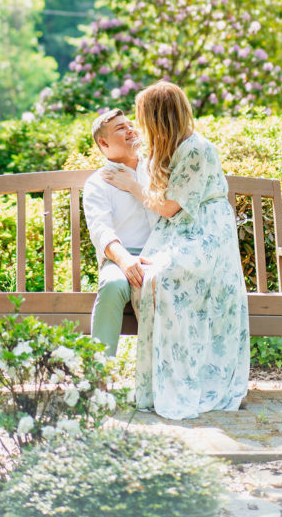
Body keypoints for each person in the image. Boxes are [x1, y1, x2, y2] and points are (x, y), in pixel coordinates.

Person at [103, 81, 250, 420]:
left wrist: (132, 186)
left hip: (205, 232)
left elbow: (169, 208)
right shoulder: (168, 147)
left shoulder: (196, 149)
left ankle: (190, 376)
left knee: (160, 278)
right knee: (148, 279)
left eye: (143, 118)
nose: (138, 127)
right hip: (182, 232)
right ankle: (160, 381)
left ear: (159, 118)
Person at [82, 109, 156, 356]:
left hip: (161, 253)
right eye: (120, 128)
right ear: (103, 143)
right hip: (121, 257)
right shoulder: (97, 183)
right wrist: (125, 260)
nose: (131, 130)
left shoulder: (158, 169)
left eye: (130, 125)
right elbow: (101, 229)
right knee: (112, 284)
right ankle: (100, 376)